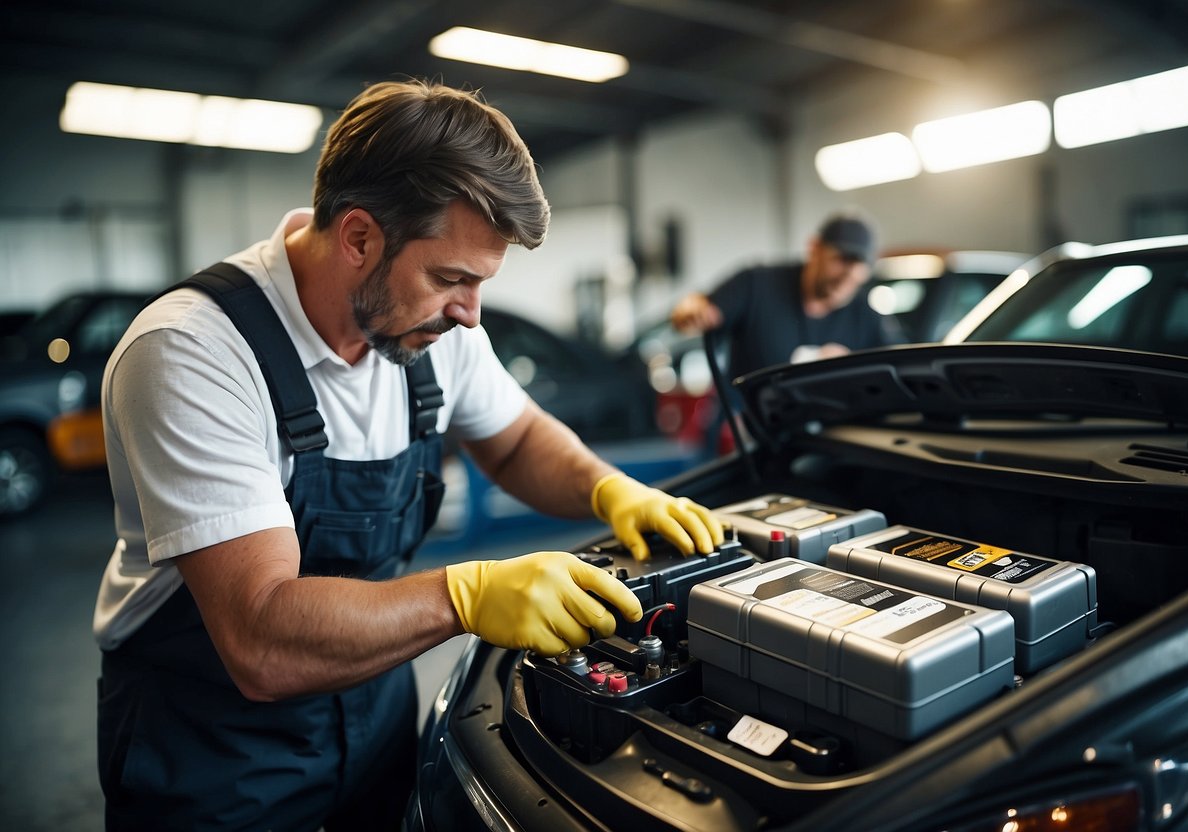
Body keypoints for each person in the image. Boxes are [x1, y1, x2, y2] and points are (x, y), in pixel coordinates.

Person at [93, 79, 723, 831]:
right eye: (451, 278)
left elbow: (517, 438)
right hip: (212, 745)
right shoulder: (194, 352)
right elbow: (260, 640)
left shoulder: (430, 331)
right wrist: (463, 596)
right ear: (359, 237)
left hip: (374, 699)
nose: (469, 313)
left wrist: (608, 489)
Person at [670, 210, 905, 378]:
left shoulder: (865, 315)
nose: (849, 275)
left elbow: (900, 366)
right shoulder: (756, 284)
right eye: (842, 260)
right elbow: (698, 310)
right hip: (749, 428)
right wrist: (691, 308)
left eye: (859, 267)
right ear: (814, 249)